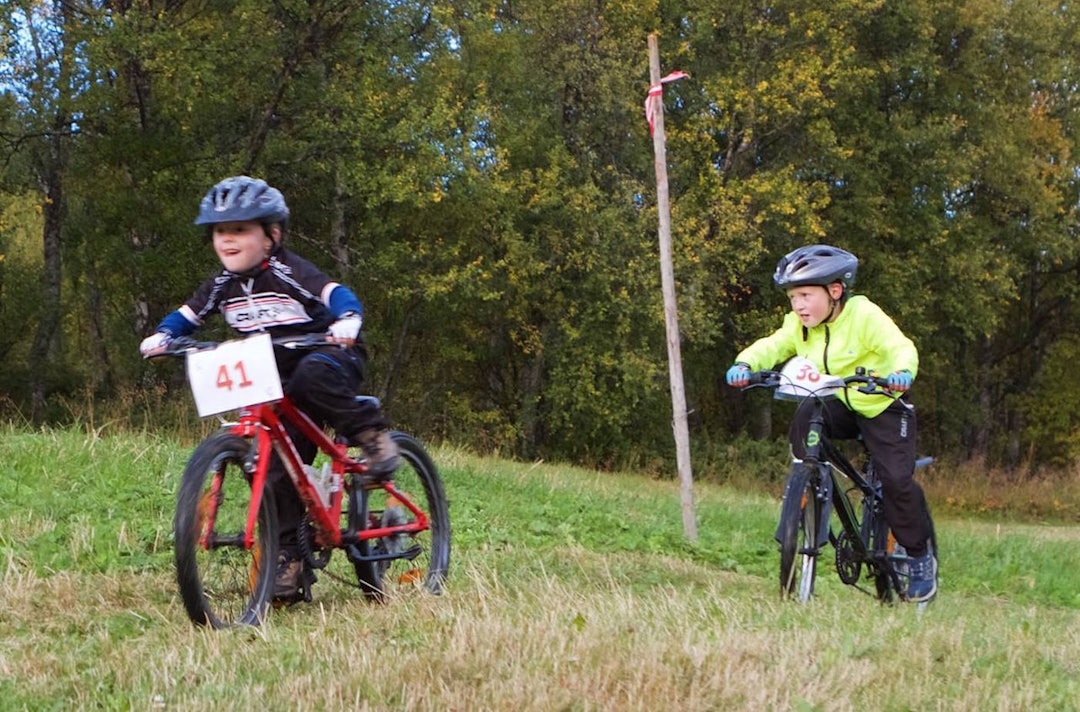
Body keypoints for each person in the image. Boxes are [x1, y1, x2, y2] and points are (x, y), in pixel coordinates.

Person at [140, 175, 400, 603]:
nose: (228, 239)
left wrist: (347, 319)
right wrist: (164, 336)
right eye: (220, 231)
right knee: (273, 464)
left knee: (312, 376)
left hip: (330, 354)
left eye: (240, 229)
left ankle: (372, 437)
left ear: (271, 236)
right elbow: (187, 316)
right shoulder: (220, 285)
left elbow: (335, 293)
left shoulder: (288, 270)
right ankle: (289, 558)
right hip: (272, 371)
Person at [725, 244, 938, 603]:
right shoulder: (798, 325)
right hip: (838, 400)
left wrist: (902, 372)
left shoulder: (863, 315)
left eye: (806, 295)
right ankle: (807, 485)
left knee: (896, 482)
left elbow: (900, 346)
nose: (798, 305)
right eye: (793, 297)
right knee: (806, 414)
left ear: (835, 291)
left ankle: (919, 557)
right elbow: (772, 345)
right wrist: (745, 364)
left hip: (882, 403)